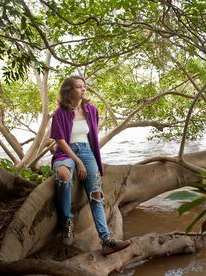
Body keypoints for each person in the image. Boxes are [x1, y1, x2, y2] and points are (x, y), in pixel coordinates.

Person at [50, 75, 131, 255]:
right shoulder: (59, 113)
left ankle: (106, 240)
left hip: (86, 151)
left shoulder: (91, 110)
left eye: (84, 86)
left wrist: (89, 159)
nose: (83, 89)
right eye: (79, 87)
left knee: (96, 194)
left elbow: (92, 135)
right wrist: (78, 162)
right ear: (69, 90)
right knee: (63, 176)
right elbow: (60, 140)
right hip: (66, 152)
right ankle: (67, 222)